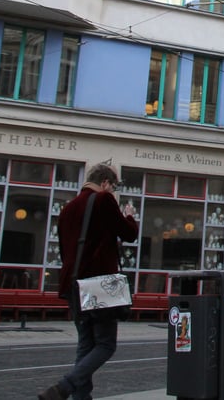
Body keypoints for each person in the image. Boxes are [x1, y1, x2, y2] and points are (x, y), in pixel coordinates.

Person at [39, 163, 138, 400]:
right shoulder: (103, 200)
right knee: (105, 345)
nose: (113, 191)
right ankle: (64, 387)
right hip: (99, 284)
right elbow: (129, 234)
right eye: (113, 187)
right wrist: (130, 216)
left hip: (73, 283)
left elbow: (64, 250)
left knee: (85, 344)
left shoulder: (68, 209)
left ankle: (81, 397)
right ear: (105, 183)